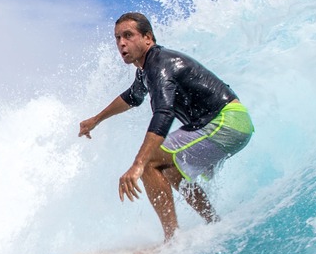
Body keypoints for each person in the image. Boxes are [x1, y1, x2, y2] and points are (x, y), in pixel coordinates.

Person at [78, 12, 254, 240]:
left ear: (147, 38)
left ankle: (172, 240)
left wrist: (138, 165)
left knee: (151, 162)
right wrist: (96, 119)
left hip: (227, 122)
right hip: (221, 123)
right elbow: (132, 97)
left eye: (128, 35)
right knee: (169, 168)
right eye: (117, 38)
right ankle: (213, 222)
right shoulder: (146, 70)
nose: (121, 43)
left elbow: (164, 112)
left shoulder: (160, 66)